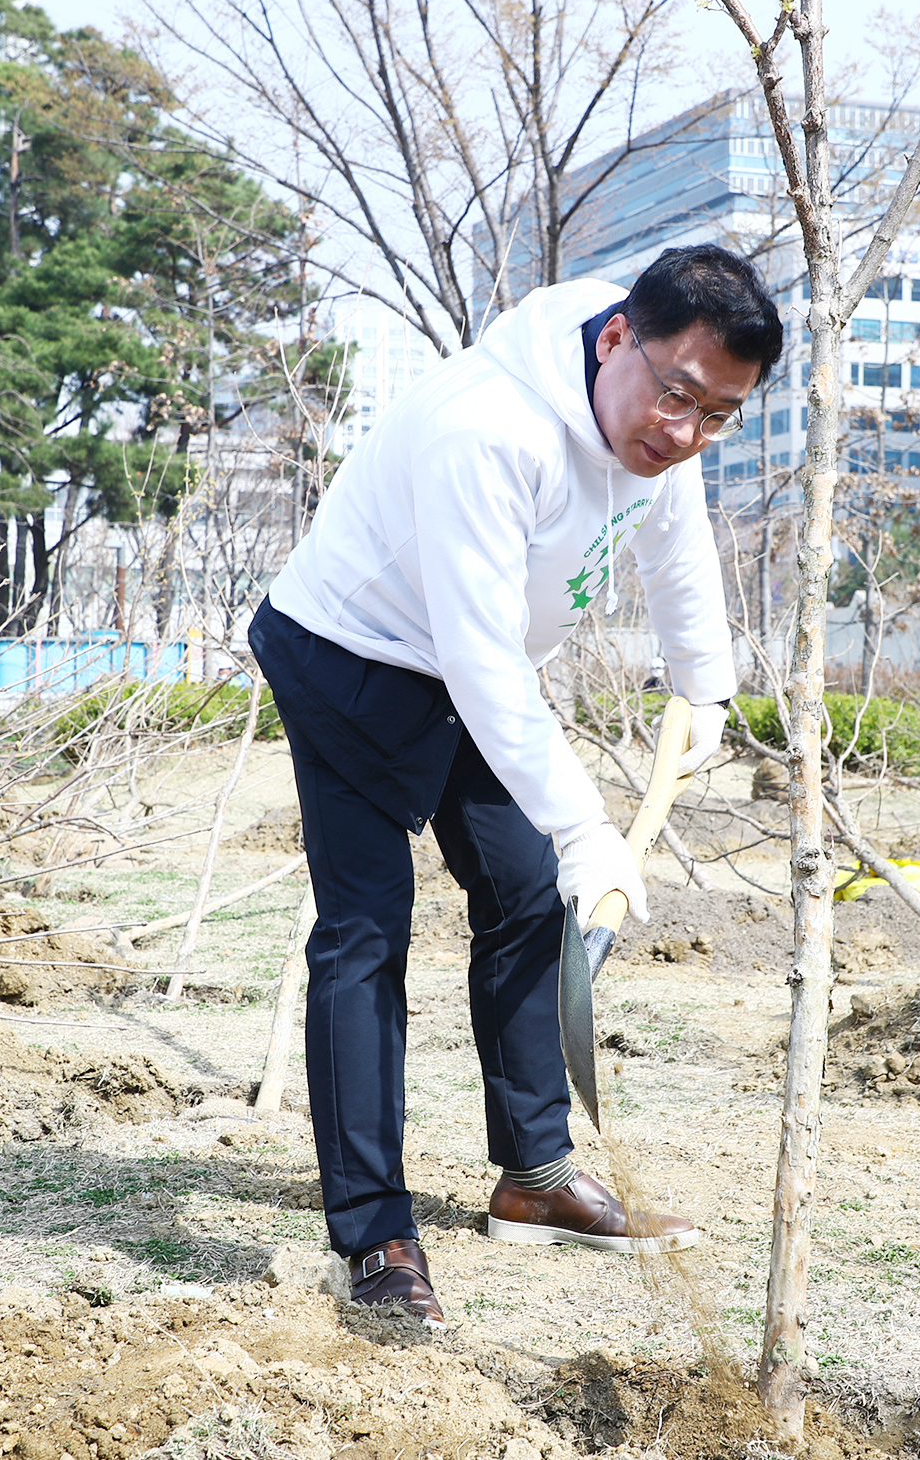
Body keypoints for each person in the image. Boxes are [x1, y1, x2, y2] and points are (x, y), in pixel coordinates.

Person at [246, 245, 780, 1329]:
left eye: (719, 415)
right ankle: (375, 1233)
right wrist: (589, 825)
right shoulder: (487, 427)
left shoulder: (661, 409)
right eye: (678, 395)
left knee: (530, 894)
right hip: (353, 656)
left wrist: (705, 686)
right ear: (619, 337)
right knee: (366, 931)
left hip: (475, 670)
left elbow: (674, 533)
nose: (684, 431)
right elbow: (483, 662)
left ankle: (533, 1178)